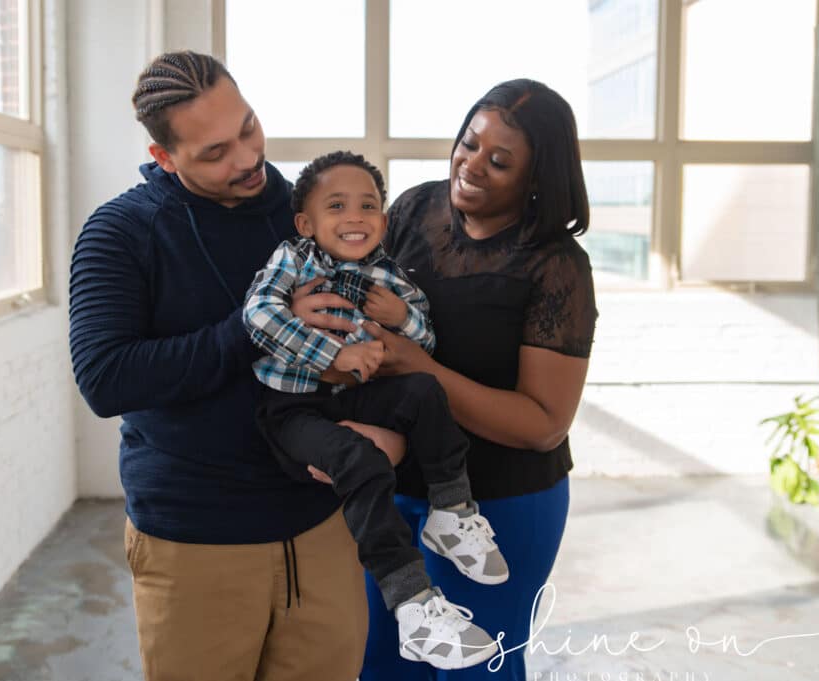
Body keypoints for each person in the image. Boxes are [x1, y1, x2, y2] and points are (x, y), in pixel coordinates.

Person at [68, 51, 369, 681]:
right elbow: (105, 377)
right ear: (164, 158)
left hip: (322, 525)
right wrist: (256, 327)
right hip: (194, 542)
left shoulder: (306, 213)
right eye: (214, 153)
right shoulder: (120, 232)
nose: (246, 158)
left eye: (249, 128)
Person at [353, 79, 599, 680]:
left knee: (473, 670)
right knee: (381, 664)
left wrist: (422, 368)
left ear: (536, 177)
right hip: (393, 494)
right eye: (469, 144)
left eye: (501, 161)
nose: (474, 166)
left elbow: (544, 424)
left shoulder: (556, 265)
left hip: (502, 506)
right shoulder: (413, 210)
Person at [244, 151, 508, 671]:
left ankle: (450, 511)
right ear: (307, 222)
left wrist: (402, 317)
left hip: (352, 394)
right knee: (360, 457)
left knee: (426, 392)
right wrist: (335, 354)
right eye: (337, 206)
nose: (355, 217)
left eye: (367, 206)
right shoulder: (293, 260)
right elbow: (258, 316)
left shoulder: (388, 275)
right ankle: (412, 604)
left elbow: (425, 341)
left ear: (383, 221)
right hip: (293, 409)